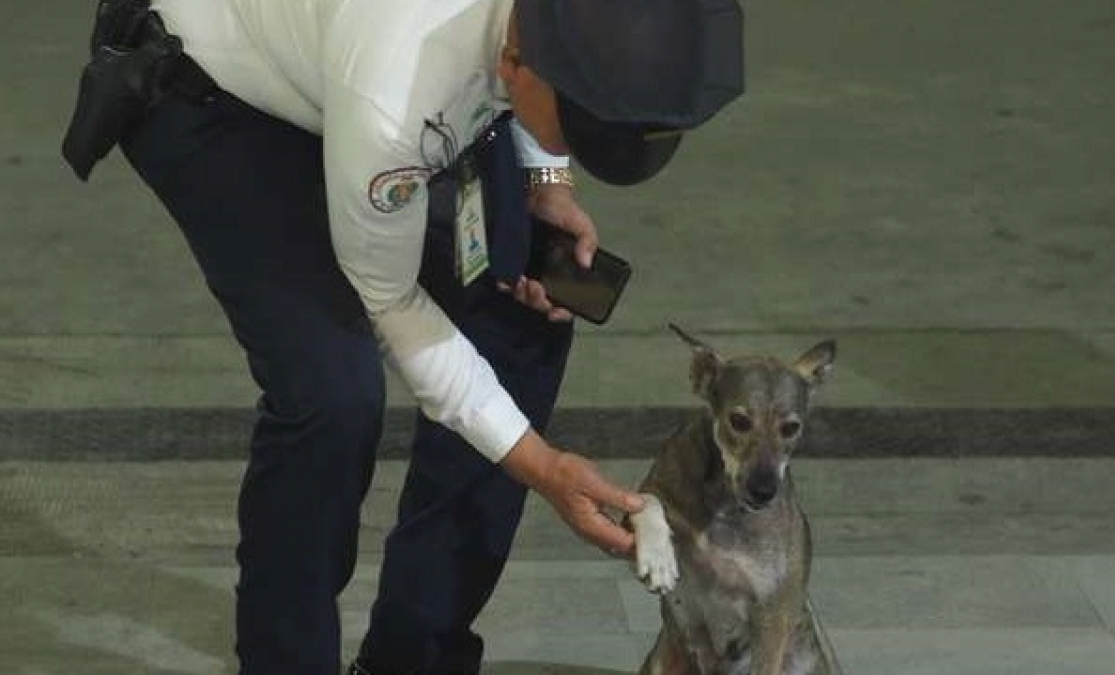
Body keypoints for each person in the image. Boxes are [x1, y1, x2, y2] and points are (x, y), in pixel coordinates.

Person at [65, 0, 742, 673]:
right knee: (330, 395)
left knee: (520, 320)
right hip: (212, 87)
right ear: (514, 61)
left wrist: (545, 177)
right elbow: (389, 301)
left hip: (354, 59)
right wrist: (543, 466)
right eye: (571, 132)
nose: (570, 151)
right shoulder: (395, 97)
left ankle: (412, 658)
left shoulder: (521, 45)